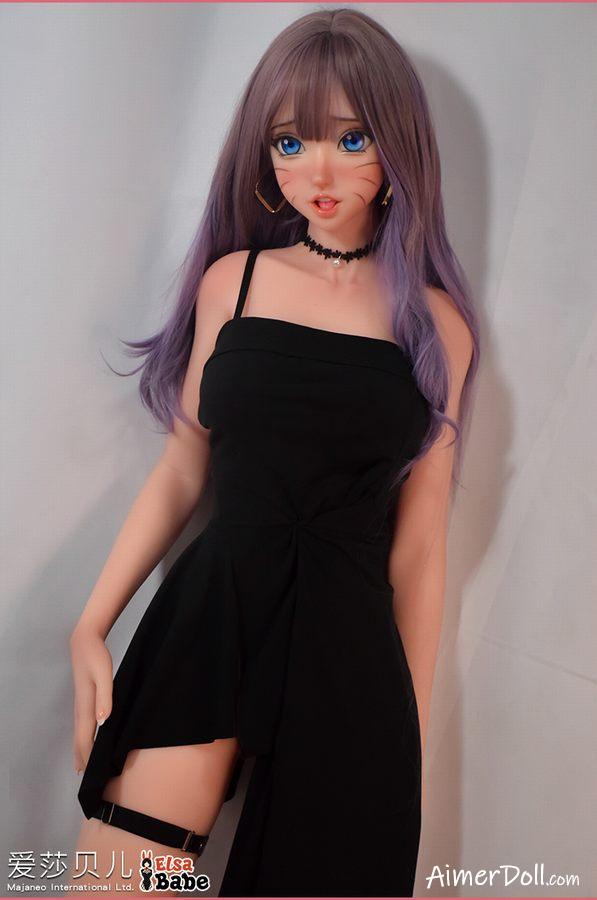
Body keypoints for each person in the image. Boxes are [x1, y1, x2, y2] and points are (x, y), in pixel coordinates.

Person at [68, 7, 479, 897]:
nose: (316, 172)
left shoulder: (435, 326)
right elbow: (184, 466)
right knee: (119, 882)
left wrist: (403, 735)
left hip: (348, 648)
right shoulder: (235, 282)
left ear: (398, 144)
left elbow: (420, 548)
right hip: (214, 615)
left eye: (351, 138)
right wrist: (91, 622)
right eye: (289, 143)